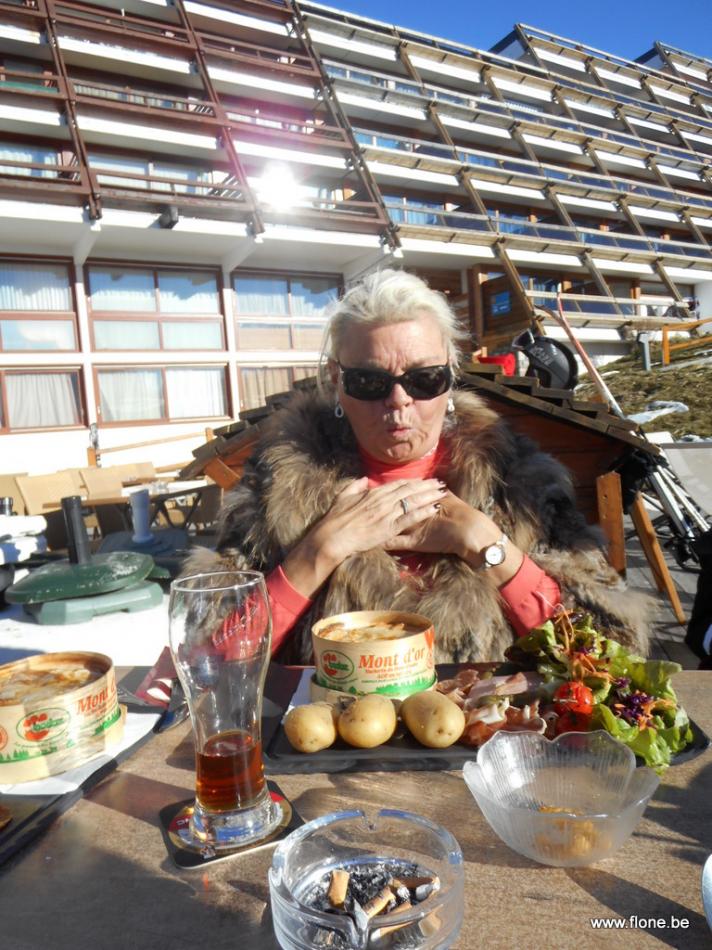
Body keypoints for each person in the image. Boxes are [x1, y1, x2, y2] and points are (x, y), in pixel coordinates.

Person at [187, 270, 649, 663]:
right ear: (336, 380)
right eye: (369, 381)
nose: (398, 402)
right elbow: (212, 662)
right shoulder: (279, 488)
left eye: (424, 379)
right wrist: (317, 553)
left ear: (452, 374)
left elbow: (610, 655)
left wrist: (490, 548)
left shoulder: (519, 484)